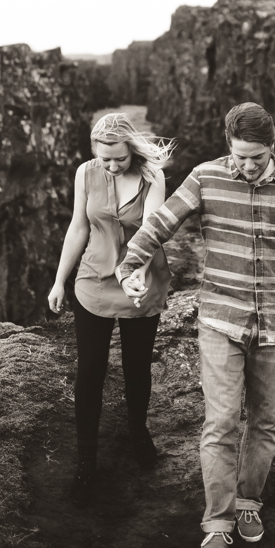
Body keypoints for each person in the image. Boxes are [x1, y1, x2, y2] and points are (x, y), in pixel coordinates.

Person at [117, 102, 275, 546]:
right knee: (220, 424)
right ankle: (217, 522)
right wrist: (130, 266)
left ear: (273, 148)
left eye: (257, 156)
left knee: (267, 423)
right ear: (228, 147)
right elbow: (159, 223)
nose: (249, 165)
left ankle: (249, 503)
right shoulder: (206, 177)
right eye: (240, 156)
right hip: (221, 317)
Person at [47, 112, 176, 505]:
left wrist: (130, 271)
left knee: (138, 368)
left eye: (118, 158)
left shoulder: (154, 176)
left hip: (140, 280)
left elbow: (153, 228)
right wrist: (59, 280)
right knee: (90, 372)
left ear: (132, 149)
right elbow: (78, 227)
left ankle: (137, 429)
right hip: (93, 281)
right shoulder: (85, 173)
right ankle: (87, 461)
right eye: (104, 159)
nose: (111, 166)